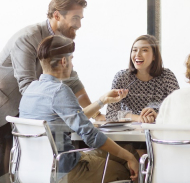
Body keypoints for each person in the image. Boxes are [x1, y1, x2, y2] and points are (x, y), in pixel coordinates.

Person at [0, 0, 104, 179]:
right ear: (57, 15)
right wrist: (59, 106)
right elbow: (27, 87)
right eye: (76, 18)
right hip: (7, 106)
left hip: (27, 107)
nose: (79, 25)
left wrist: (97, 114)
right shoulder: (28, 38)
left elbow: (72, 79)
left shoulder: (59, 42)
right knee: (12, 160)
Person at [19, 35, 138, 182]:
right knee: (127, 166)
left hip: (35, 169)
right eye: (71, 59)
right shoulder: (59, 90)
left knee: (128, 151)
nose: (72, 65)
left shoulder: (31, 89)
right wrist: (129, 157)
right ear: (64, 61)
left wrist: (102, 101)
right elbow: (90, 135)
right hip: (64, 169)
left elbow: (74, 119)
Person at [106, 35, 180, 123]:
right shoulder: (122, 77)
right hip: (129, 132)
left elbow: (179, 110)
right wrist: (138, 118)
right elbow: (110, 114)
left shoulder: (167, 76)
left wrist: (157, 116)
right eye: (134, 50)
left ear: (154, 56)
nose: (137, 54)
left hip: (159, 130)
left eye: (144, 50)